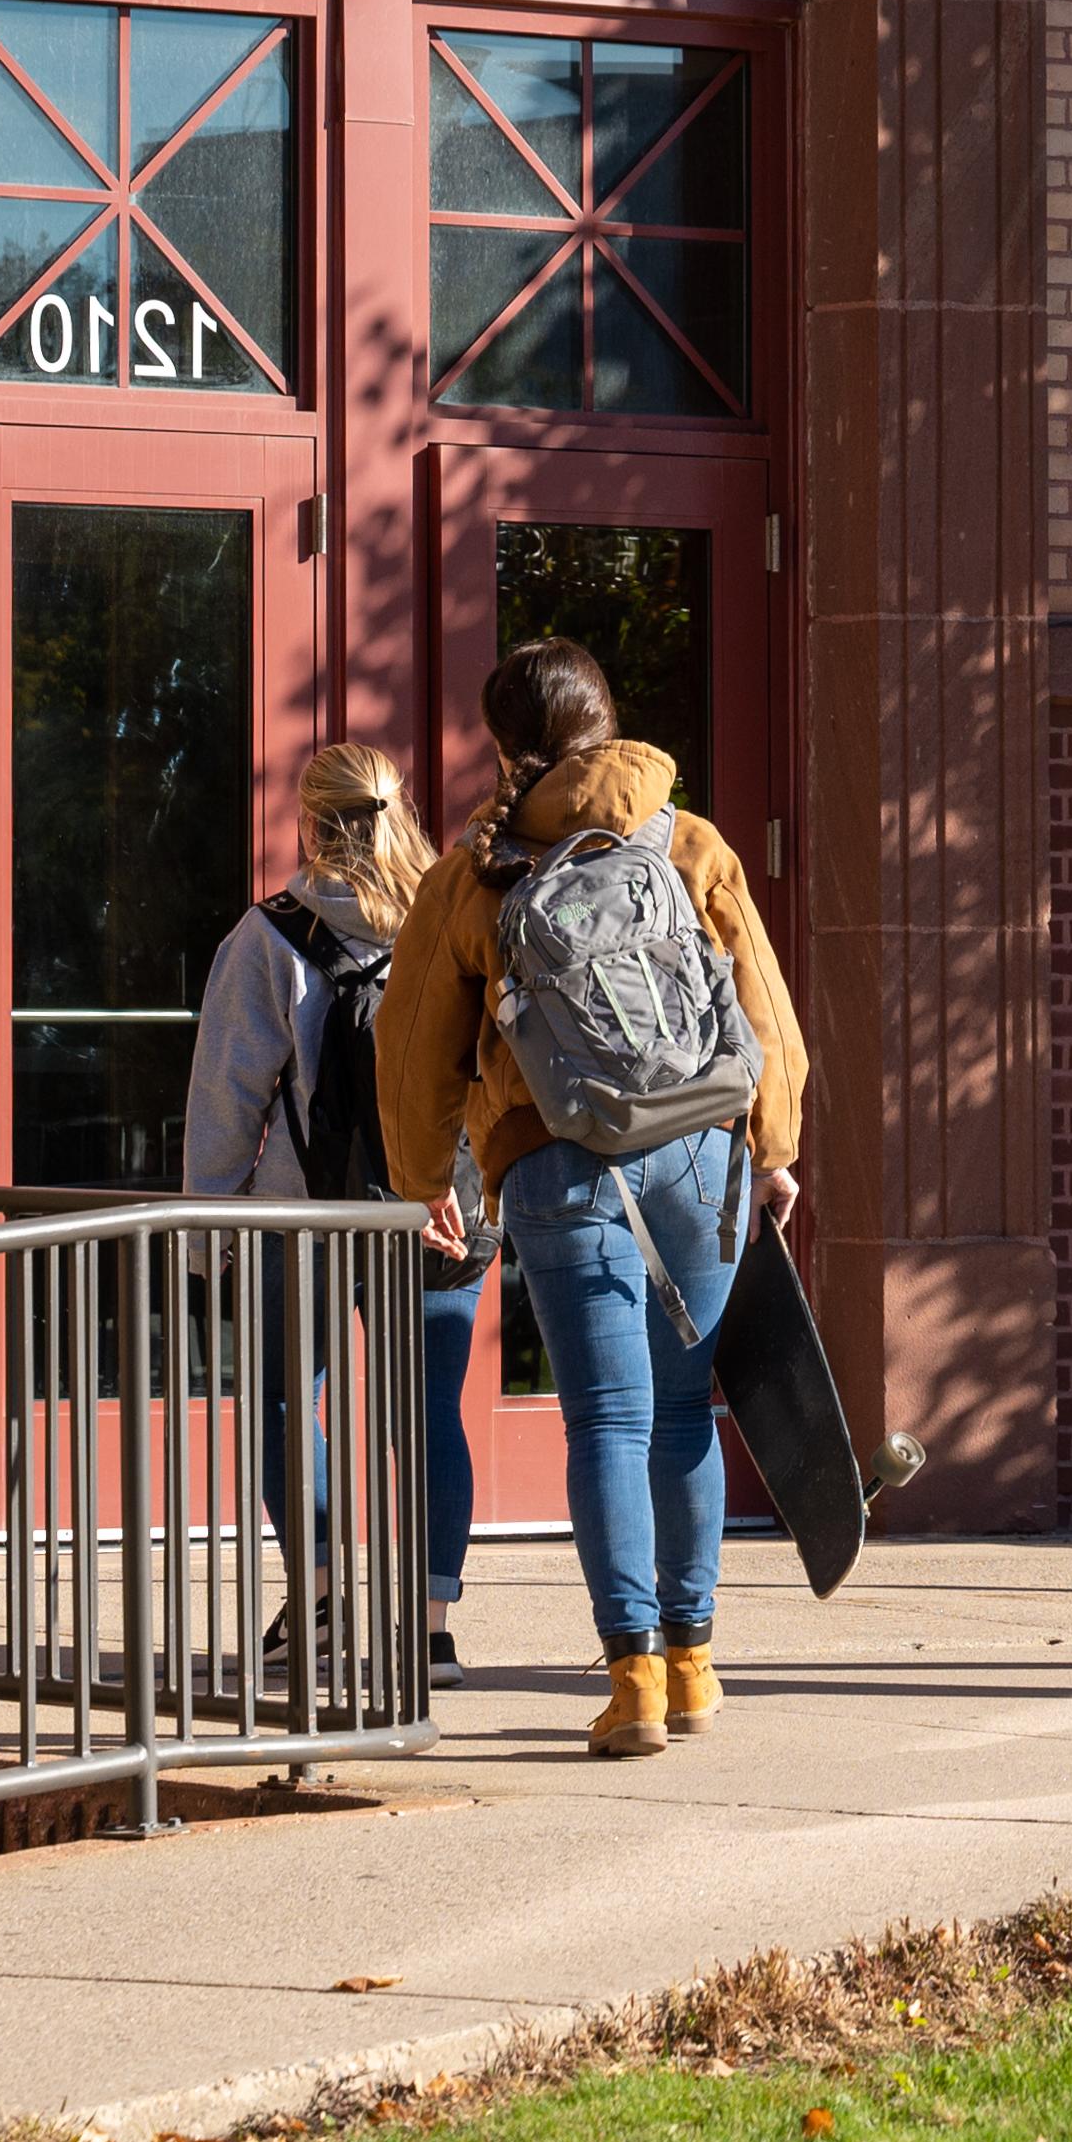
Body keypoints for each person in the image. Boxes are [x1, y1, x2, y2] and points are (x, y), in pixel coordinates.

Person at [376, 638, 808, 1763]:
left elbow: (414, 1040)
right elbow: (762, 1001)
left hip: (558, 1157)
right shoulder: (686, 838)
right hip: (702, 1149)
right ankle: (694, 1660)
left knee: (607, 1419)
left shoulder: (478, 868)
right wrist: (774, 1143)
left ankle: (631, 1685)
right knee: (681, 1411)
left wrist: (424, 1178)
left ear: (504, 743)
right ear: (608, 724)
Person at [182, 738, 488, 1675]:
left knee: (285, 1400)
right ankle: (431, 1629)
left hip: (303, 1218)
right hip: (439, 1208)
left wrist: (207, 1232)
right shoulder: (456, 918)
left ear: (310, 821)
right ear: (401, 810)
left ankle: (318, 1606)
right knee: (431, 1410)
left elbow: (229, 1099)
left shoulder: (270, 935)